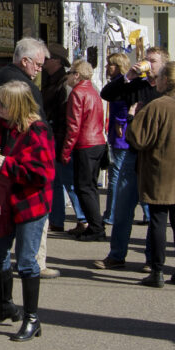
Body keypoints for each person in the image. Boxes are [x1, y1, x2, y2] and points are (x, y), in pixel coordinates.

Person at [0, 81, 55, 341]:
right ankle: (5, 306)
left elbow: (43, 174)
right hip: (4, 201)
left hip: (30, 203)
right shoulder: (1, 125)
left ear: (16, 105)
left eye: (2, 103)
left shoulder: (38, 130)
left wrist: (7, 164)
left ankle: (32, 319)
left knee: (26, 262)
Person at [0, 37, 59, 279]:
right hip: (22, 191)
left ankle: (27, 310)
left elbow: (39, 172)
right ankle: (10, 297)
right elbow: (39, 173)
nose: (40, 70)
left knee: (14, 255)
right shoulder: (16, 89)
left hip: (22, 186)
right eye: (38, 65)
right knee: (13, 256)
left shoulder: (3, 78)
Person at [94, 46, 169, 270]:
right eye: (147, 59)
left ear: (164, 64)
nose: (148, 63)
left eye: (153, 60)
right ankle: (116, 254)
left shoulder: (168, 90)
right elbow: (106, 94)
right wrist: (128, 76)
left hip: (156, 157)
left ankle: (152, 259)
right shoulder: (138, 84)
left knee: (155, 211)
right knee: (124, 207)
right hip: (132, 152)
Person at [128, 61, 175, 287]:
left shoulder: (156, 105)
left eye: (157, 77)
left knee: (158, 219)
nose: (154, 81)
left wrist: (133, 117)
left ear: (166, 80)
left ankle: (157, 271)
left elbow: (138, 139)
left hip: (160, 169)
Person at [61, 60, 107, 241]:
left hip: (85, 144)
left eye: (70, 72)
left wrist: (65, 151)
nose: (68, 76)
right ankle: (96, 224)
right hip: (97, 142)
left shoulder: (78, 93)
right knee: (91, 187)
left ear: (77, 75)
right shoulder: (92, 91)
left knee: (84, 188)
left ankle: (96, 227)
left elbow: (73, 126)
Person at [44, 45, 86, 238]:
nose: (44, 62)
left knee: (68, 180)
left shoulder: (64, 84)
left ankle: (82, 218)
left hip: (61, 137)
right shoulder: (54, 81)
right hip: (56, 136)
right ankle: (57, 220)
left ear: (57, 61)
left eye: (48, 58)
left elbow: (69, 118)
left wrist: (65, 142)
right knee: (56, 181)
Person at [102, 52, 132, 227]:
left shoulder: (123, 83)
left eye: (110, 65)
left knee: (116, 175)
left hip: (121, 135)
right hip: (117, 133)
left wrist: (120, 123)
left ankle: (111, 213)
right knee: (120, 174)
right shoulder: (118, 83)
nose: (107, 68)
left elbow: (124, 106)